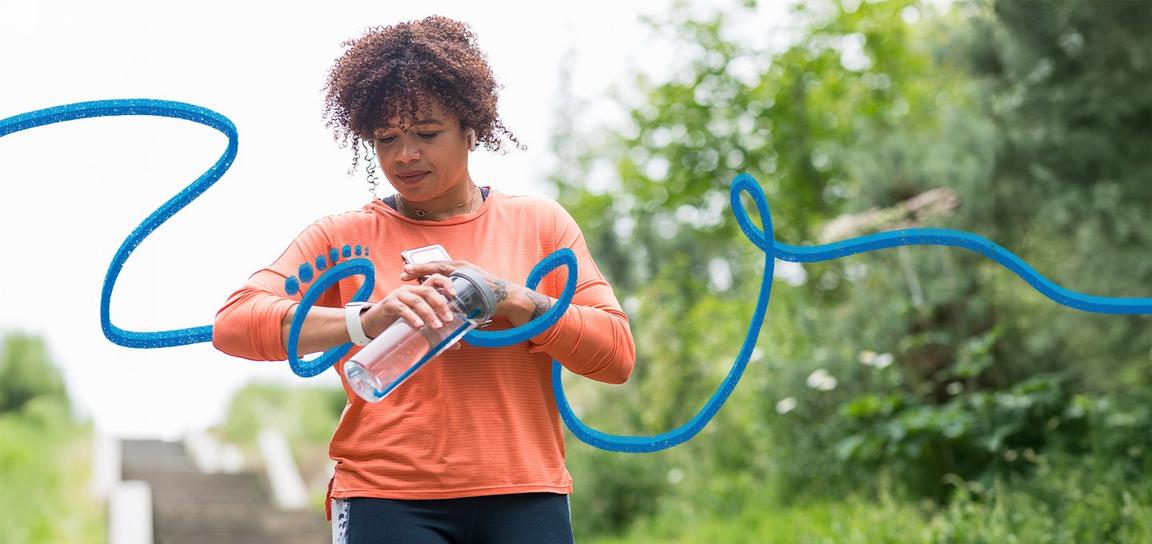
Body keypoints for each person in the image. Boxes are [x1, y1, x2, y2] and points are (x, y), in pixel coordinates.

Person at [211, 15, 635, 544]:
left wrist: (512, 298)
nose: (405, 155)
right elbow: (234, 322)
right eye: (386, 139)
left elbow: (616, 355)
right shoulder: (345, 238)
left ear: (471, 128)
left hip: (525, 492)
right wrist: (367, 319)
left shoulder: (541, 226)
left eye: (427, 134)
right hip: (386, 498)